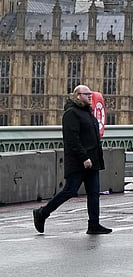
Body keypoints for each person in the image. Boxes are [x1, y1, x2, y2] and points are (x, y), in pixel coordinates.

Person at [32, 84, 111, 235]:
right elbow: (72, 140)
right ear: (77, 96)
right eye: (86, 94)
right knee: (69, 191)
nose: (90, 96)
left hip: (92, 161)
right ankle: (42, 213)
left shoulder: (88, 113)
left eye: (90, 94)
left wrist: (95, 158)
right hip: (79, 161)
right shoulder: (71, 113)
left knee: (94, 194)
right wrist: (84, 157)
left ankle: (93, 224)